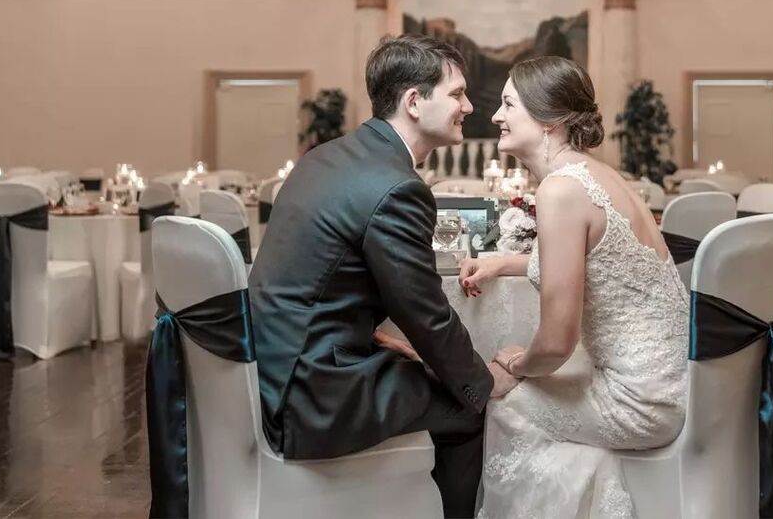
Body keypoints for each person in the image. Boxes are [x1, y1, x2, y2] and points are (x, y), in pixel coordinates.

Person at [249, 34, 519, 519]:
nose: (469, 106)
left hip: (272, 364)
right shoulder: (397, 187)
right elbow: (424, 313)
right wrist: (484, 381)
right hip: (312, 391)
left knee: (433, 373)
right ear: (414, 102)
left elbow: (325, 283)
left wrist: (384, 341)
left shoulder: (328, 156)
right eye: (456, 94)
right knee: (469, 409)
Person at [459, 56, 689, 518]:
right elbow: (602, 267)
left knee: (503, 401)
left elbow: (558, 342)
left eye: (508, 104)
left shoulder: (561, 190)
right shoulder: (597, 175)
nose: (495, 116)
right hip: (675, 382)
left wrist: (515, 364)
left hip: (639, 402)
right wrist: (504, 262)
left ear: (551, 120)